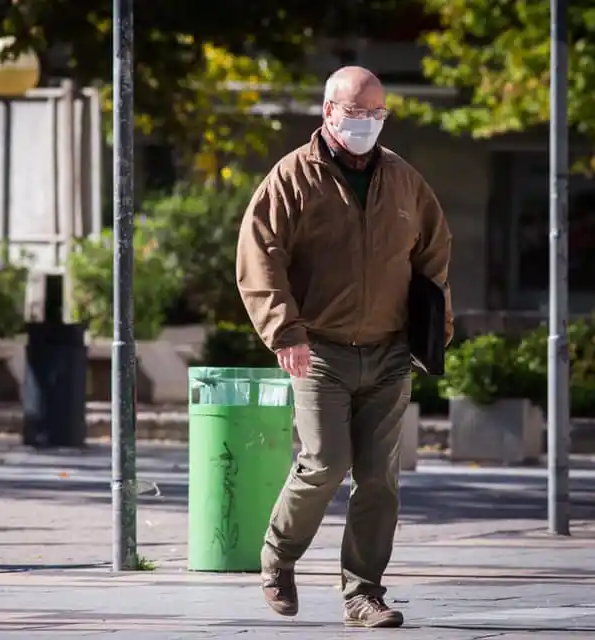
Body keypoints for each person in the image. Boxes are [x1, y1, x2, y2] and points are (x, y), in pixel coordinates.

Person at [235, 66, 453, 629]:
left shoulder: (404, 180)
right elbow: (260, 255)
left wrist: (433, 331)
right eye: (355, 113)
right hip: (319, 352)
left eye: (376, 114)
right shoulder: (292, 177)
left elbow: (433, 254)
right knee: (325, 463)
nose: (366, 124)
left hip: (388, 351)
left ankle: (364, 594)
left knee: (380, 478)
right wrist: (285, 332)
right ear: (328, 111)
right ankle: (278, 558)